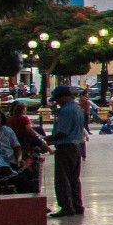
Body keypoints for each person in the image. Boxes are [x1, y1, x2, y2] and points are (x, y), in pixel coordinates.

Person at [47, 86, 87, 217]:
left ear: (63, 96)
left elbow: (63, 132)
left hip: (65, 148)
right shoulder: (77, 108)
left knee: (62, 179)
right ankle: (77, 205)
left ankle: (66, 207)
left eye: (58, 99)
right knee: (74, 179)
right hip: (76, 146)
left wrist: (47, 140)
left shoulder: (66, 110)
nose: (57, 102)